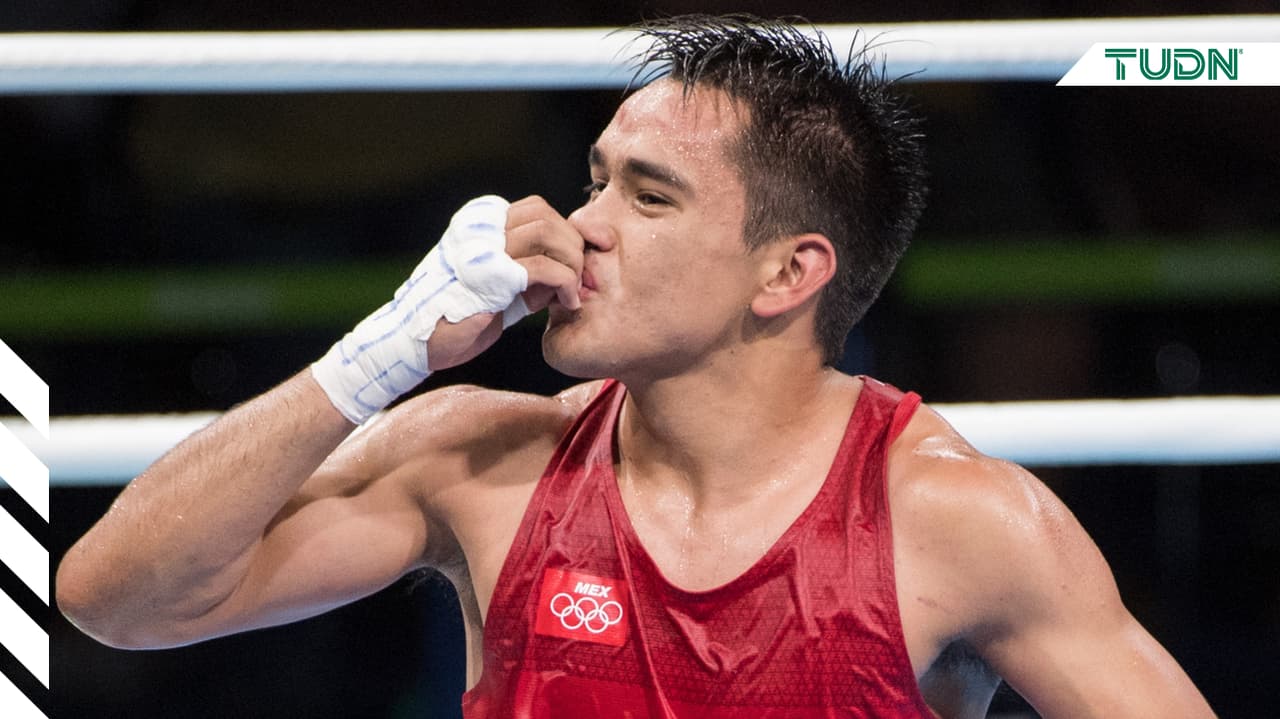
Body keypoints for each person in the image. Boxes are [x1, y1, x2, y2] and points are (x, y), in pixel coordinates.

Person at [57, 15, 1215, 719]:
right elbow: (115, 600)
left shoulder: (956, 522)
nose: (581, 225)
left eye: (647, 197)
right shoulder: (481, 459)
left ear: (786, 271)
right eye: (595, 179)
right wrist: (380, 351)